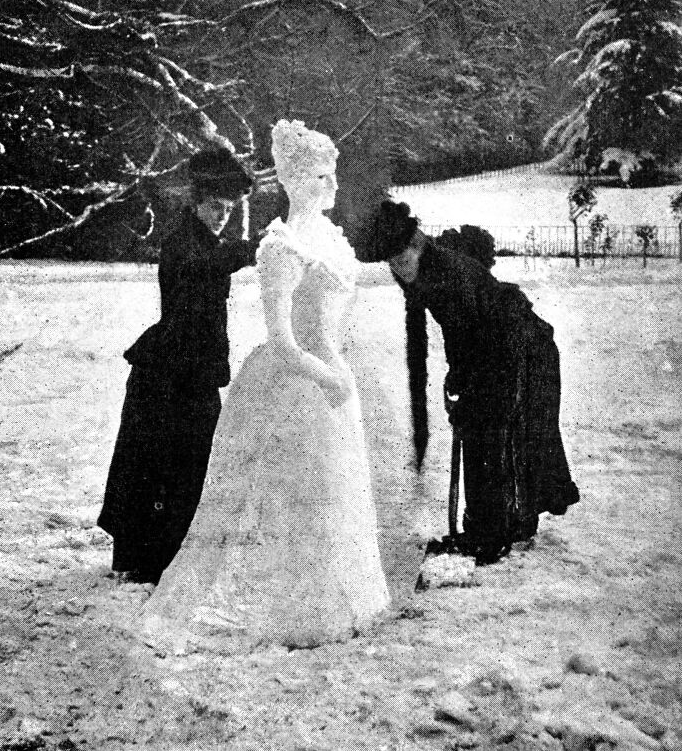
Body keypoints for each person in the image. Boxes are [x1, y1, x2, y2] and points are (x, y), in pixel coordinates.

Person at [139, 120, 389, 651]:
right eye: (323, 177)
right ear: (298, 182)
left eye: (333, 175)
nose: (334, 187)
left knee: (323, 494)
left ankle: (334, 600)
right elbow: (281, 336)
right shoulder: (271, 245)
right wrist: (328, 375)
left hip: (319, 381)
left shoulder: (325, 240)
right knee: (252, 490)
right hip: (266, 376)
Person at [372, 200, 579, 565]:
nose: (399, 271)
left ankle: (488, 536)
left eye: (401, 260)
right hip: (512, 346)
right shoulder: (425, 269)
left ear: (416, 245)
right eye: (392, 264)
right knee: (499, 433)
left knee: (490, 434)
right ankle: (509, 524)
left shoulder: (445, 272)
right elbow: (433, 340)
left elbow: (477, 336)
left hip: (519, 348)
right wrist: (455, 381)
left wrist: (465, 384)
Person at [97, 147, 259, 585]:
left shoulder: (206, 241)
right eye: (215, 207)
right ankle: (151, 558)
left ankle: (166, 553)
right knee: (163, 463)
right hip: (169, 371)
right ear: (197, 203)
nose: (222, 215)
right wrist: (256, 248)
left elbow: (217, 259)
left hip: (190, 369)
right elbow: (205, 265)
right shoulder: (183, 242)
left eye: (228, 209)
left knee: (186, 462)